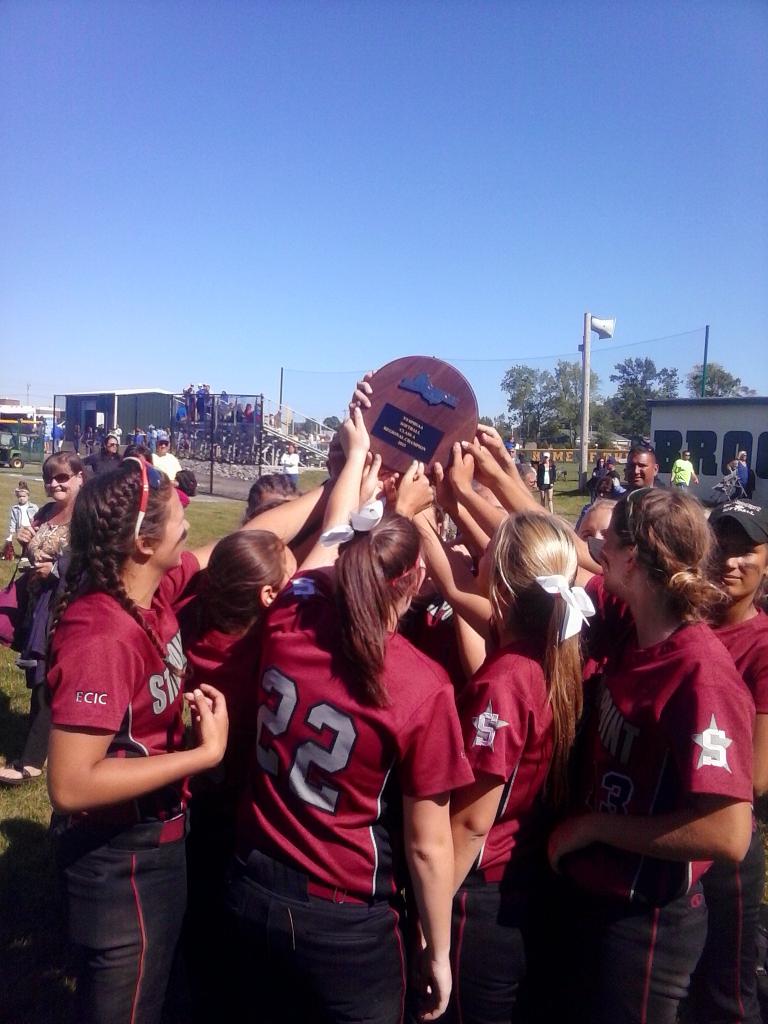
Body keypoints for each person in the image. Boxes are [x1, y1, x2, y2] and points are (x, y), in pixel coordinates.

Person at [228, 409, 472, 1024]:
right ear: (416, 579)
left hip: (252, 882)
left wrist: (359, 452)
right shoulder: (421, 684)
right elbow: (427, 846)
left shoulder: (291, 616)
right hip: (342, 917)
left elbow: (330, 543)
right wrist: (439, 952)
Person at [548, 488, 754, 1024]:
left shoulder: (700, 671)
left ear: (633, 559)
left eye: (608, 541)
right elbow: (551, 552)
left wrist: (592, 827)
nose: (598, 550)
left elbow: (729, 834)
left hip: (647, 920)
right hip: (602, 898)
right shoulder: (636, 620)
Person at [46, 458, 229, 1024]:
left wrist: (345, 486)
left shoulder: (147, 590)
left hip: (154, 846)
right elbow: (71, 785)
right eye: (177, 516)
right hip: (118, 859)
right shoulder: (102, 636)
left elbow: (236, 544)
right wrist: (202, 755)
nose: (187, 521)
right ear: (144, 544)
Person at [445, 513, 586, 1023]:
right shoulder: (554, 654)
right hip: (523, 875)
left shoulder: (505, 681)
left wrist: (428, 920)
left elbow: (471, 821)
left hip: (479, 893)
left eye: (488, 556)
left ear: (501, 586)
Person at [686, 500, 768, 1024]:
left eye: (747, 551)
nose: (731, 562)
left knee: (726, 996)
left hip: (724, 847)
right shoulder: (688, 621)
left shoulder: (762, 645)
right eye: (721, 548)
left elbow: (756, 776)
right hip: (672, 837)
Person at [0, 454, 84, 786]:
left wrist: (57, 569)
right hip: (39, 605)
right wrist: (26, 542)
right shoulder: (46, 512)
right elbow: (35, 553)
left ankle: (32, 761)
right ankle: (49, 743)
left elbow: (91, 559)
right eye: (50, 478)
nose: (54, 484)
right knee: (39, 674)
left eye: (62, 477)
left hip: (67, 607)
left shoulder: (86, 516)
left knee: (47, 677)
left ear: (79, 477)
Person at [6, 482, 39, 549]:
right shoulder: (15, 508)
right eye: (19, 496)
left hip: (31, 528)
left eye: (24, 496)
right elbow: (13, 520)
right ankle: (25, 552)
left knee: (32, 543)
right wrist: (11, 533)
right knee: (23, 544)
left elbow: (39, 517)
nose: (21, 498)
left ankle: (30, 552)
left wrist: (38, 526)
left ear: (28, 496)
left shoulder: (33, 507)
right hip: (20, 529)